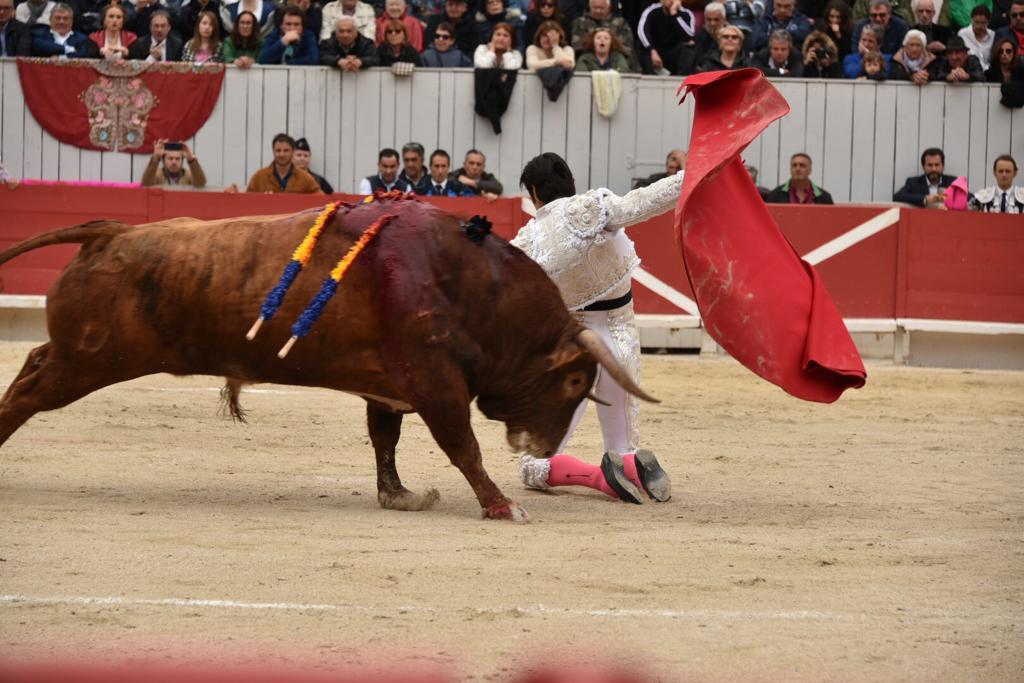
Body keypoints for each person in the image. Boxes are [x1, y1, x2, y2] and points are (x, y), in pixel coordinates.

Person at [513, 152, 675, 505]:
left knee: (533, 464)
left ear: (535, 192)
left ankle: (600, 478)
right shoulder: (594, 207)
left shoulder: (528, 240)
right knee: (620, 444)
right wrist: (692, 176)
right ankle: (631, 466)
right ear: (570, 182)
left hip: (574, 349)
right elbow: (646, 201)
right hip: (622, 339)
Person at [570, 0, 638, 72]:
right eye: (595, 8)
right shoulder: (579, 23)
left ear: (609, 8)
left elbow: (627, 48)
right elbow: (577, 46)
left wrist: (607, 50)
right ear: (589, 7)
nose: (598, 11)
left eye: (602, 8)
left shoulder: (620, 23)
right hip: (589, 61)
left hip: (615, 61)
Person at [246, 133, 322, 194]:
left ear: (293, 152)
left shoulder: (305, 178)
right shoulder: (259, 178)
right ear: (273, 152)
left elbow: (321, 202)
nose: (282, 154)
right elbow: (246, 202)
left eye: (286, 150)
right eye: (278, 150)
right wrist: (234, 195)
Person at [636, 0, 697, 75]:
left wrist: (674, 14)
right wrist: (652, 50)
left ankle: (681, 81)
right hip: (656, 52)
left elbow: (689, 35)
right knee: (643, 45)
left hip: (674, 54)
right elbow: (642, 31)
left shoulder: (686, 13)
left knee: (689, 47)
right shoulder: (651, 10)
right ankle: (651, 79)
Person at [29, 2, 98, 57]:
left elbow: (86, 53)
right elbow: (38, 46)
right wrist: (67, 49)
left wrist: (63, 58)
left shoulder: (82, 39)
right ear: (50, 20)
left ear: (71, 21)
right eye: (57, 18)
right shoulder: (39, 34)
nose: (61, 22)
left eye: (65, 19)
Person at [765, 153, 834, 204]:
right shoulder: (775, 195)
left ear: (810, 170)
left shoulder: (824, 197)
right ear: (790, 169)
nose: (798, 169)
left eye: (802, 165)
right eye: (794, 165)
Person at [142, 139, 208, 188]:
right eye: (170, 158)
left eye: (177, 159)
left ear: (182, 160)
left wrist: (191, 160)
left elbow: (201, 183)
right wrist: (155, 158)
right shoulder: (158, 174)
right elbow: (146, 183)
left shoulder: (188, 175)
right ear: (163, 160)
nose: (174, 162)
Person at [959, 5, 994, 70]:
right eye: (976, 22)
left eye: (983, 23)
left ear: (988, 22)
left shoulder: (993, 35)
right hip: (969, 73)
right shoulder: (963, 34)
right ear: (972, 20)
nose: (979, 26)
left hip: (988, 74)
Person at [693, 1, 725, 66]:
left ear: (723, 19)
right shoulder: (701, 34)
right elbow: (699, 59)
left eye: (716, 20)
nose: (712, 23)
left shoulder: (731, 35)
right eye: (709, 19)